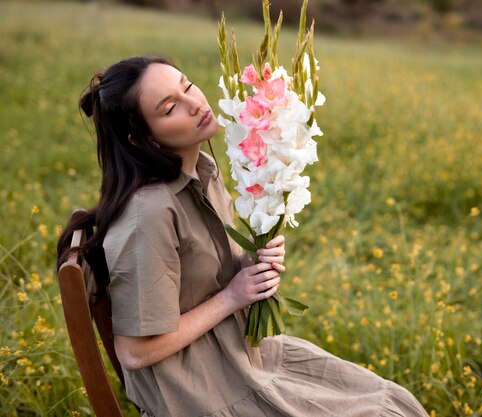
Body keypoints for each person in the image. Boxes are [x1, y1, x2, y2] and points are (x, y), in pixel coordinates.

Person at [57, 56, 429, 417]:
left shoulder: (203, 170)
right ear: (140, 139)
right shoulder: (149, 212)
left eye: (187, 86)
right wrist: (234, 296)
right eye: (170, 108)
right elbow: (135, 352)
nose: (195, 103)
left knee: (390, 400)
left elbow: (203, 277)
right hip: (200, 388)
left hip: (243, 354)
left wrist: (252, 264)